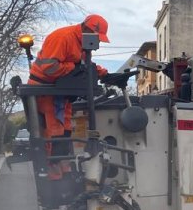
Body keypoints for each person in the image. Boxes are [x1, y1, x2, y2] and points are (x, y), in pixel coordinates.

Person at [27, 14, 124, 177]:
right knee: (54, 131)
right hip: (45, 90)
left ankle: (64, 171)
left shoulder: (81, 44)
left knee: (65, 130)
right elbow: (49, 67)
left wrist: (104, 74)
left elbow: (85, 65)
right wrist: (73, 67)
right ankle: (52, 177)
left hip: (61, 91)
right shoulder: (63, 37)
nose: (98, 43)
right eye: (97, 38)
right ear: (87, 29)